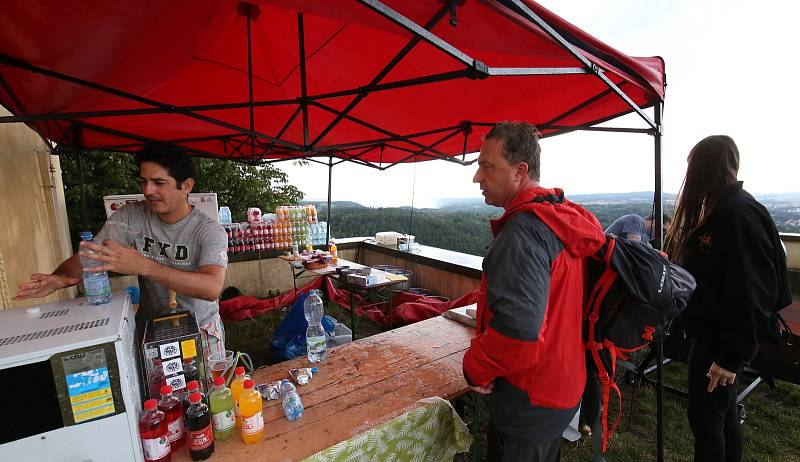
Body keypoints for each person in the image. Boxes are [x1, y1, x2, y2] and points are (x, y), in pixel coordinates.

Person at [463, 122, 605, 462]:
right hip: (562, 384)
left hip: (530, 396)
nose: (476, 178)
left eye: (486, 166)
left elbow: (519, 331)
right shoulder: (559, 217)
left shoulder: (523, 234)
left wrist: (475, 368)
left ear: (520, 171)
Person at [14, 144, 229, 358]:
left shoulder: (208, 231)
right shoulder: (131, 216)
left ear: (186, 186)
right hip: (151, 329)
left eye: (158, 182)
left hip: (200, 329)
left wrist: (144, 265)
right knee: (154, 391)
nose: (148, 190)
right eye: (144, 181)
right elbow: (93, 255)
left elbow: (211, 288)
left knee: (211, 391)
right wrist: (60, 277)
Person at [664, 135, 791, 462]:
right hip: (714, 334)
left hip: (720, 342)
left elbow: (751, 291)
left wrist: (730, 357)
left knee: (707, 420)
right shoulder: (727, 209)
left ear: (704, 168)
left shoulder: (737, 215)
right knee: (723, 415)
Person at [604, 213, 671, 242]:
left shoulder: (646, 237)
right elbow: (635, 247)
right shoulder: (636, 220)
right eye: (663, 230)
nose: (662, 234)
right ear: (655, 221)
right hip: (601, 255)